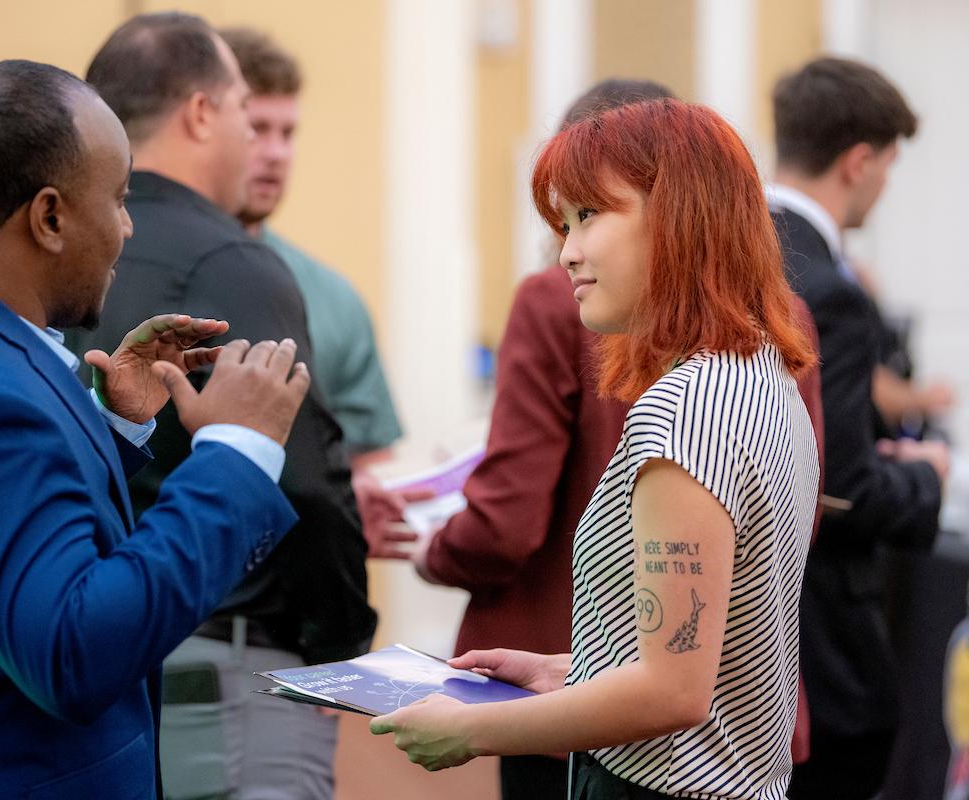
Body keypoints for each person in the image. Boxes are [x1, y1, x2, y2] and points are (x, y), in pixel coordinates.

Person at [0, 59, 312, 800]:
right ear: (48, 217)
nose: (128, 226)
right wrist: (236, 454)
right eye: (117, 198)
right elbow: (75, 652)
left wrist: (106, 424)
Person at [371, 99, 820, 800]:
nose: (568, 250)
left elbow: (673, 693)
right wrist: (568, 670)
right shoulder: (758, 372)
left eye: (589, 216)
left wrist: (469, 731)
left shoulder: (686, 407)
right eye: (564, 223)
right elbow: (712, 652)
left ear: (679, 217)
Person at [70, 13, 373, 800]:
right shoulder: (235, 263)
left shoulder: (62, 254)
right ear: (203, 114)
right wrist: (344, 642)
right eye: (247, 111)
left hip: (97, 663)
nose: (259, 140)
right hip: (235, 671)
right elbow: (301, 480)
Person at [767, 56, 950, 800]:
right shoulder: (831, 292)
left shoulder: (730, 256)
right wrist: (923, 475)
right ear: (859, 161)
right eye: (888, 168)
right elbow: (835, 491)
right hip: (817, 648)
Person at [219, 26, 418, 559]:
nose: (276, 153)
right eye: (257, 128)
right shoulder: (137, 270)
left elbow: (371, 464)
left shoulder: (332, 298)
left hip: (305, 610)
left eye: (288, 132)